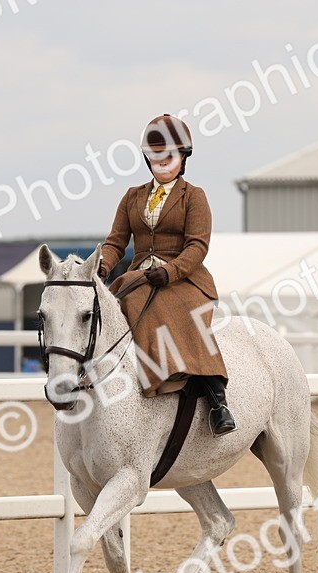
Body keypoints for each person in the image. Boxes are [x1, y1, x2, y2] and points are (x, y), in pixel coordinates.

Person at [99, 114, 235, 437]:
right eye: (155, 156)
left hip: (185, 279)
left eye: (168, 156)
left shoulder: (194, 196)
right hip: (140, 278)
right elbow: (116, 242)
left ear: (183, 157)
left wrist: (170, 271)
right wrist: (101, 265)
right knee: (109, 307)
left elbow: (197, 246)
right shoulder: (132, 197)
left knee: (172, 307)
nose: (161, 162)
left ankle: (216, 398)